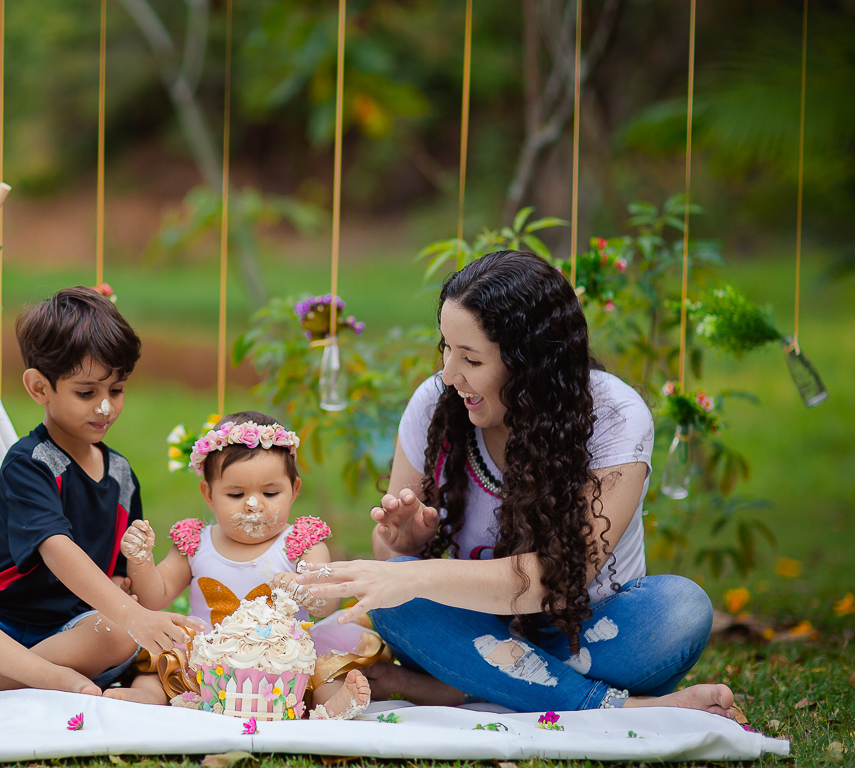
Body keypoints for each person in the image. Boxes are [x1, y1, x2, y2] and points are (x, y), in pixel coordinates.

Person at [294, 250, 740, 718]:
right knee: (396, 601)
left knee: (681, 609)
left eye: (471, 358)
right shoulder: (434, 405)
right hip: (475, 629)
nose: (448, 374)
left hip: (589, 632)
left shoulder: (614, 416)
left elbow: (557, 580)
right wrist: (403, 542)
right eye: (446, 347)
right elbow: (394, 562)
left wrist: (413, 576)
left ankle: (461, 686)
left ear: (532, 364)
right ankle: (614, 704)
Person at [0, 286, 203, 706]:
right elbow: (56, 549)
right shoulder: (30, 462)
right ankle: (46, 677)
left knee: (116, 632)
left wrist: (131, 598)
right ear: (40, 387)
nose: (105, 407)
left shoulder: (122, 476)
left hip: (75, 637)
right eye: (86, 393)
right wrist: (133, 614)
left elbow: (120, 577)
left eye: (116, 390)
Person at [104, 411, 374, 719]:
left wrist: (305, 589)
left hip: (282, 663)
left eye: (270, 493)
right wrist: (141, 561)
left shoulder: (301, 542)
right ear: (208, 494)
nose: (253, 504)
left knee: (320, 669)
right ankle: (149, 694)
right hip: (207, 659)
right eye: (236, 494)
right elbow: (155, 596)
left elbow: (326, 603)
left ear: (294, 489)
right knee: (162, 661)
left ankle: (331, 702)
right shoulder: (195, 541)